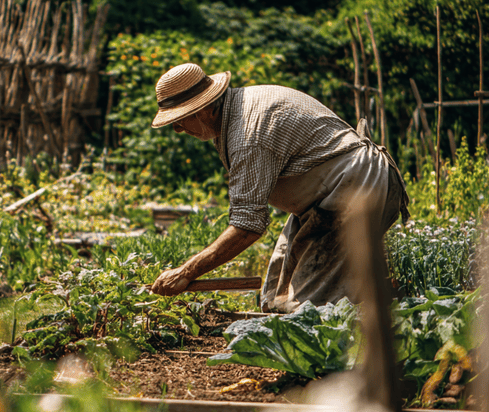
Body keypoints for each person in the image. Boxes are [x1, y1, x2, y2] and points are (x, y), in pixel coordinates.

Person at [149, 63, 409, 313]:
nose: (177, 128)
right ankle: (375, 297)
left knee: (308, 310)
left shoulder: (247, 134)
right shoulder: (238, 111)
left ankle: (381, 328)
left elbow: (246, 228)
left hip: (356, 190)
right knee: (275, 298)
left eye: (181, 119)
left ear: (203, 109)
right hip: (323, 199)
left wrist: (185, 273)